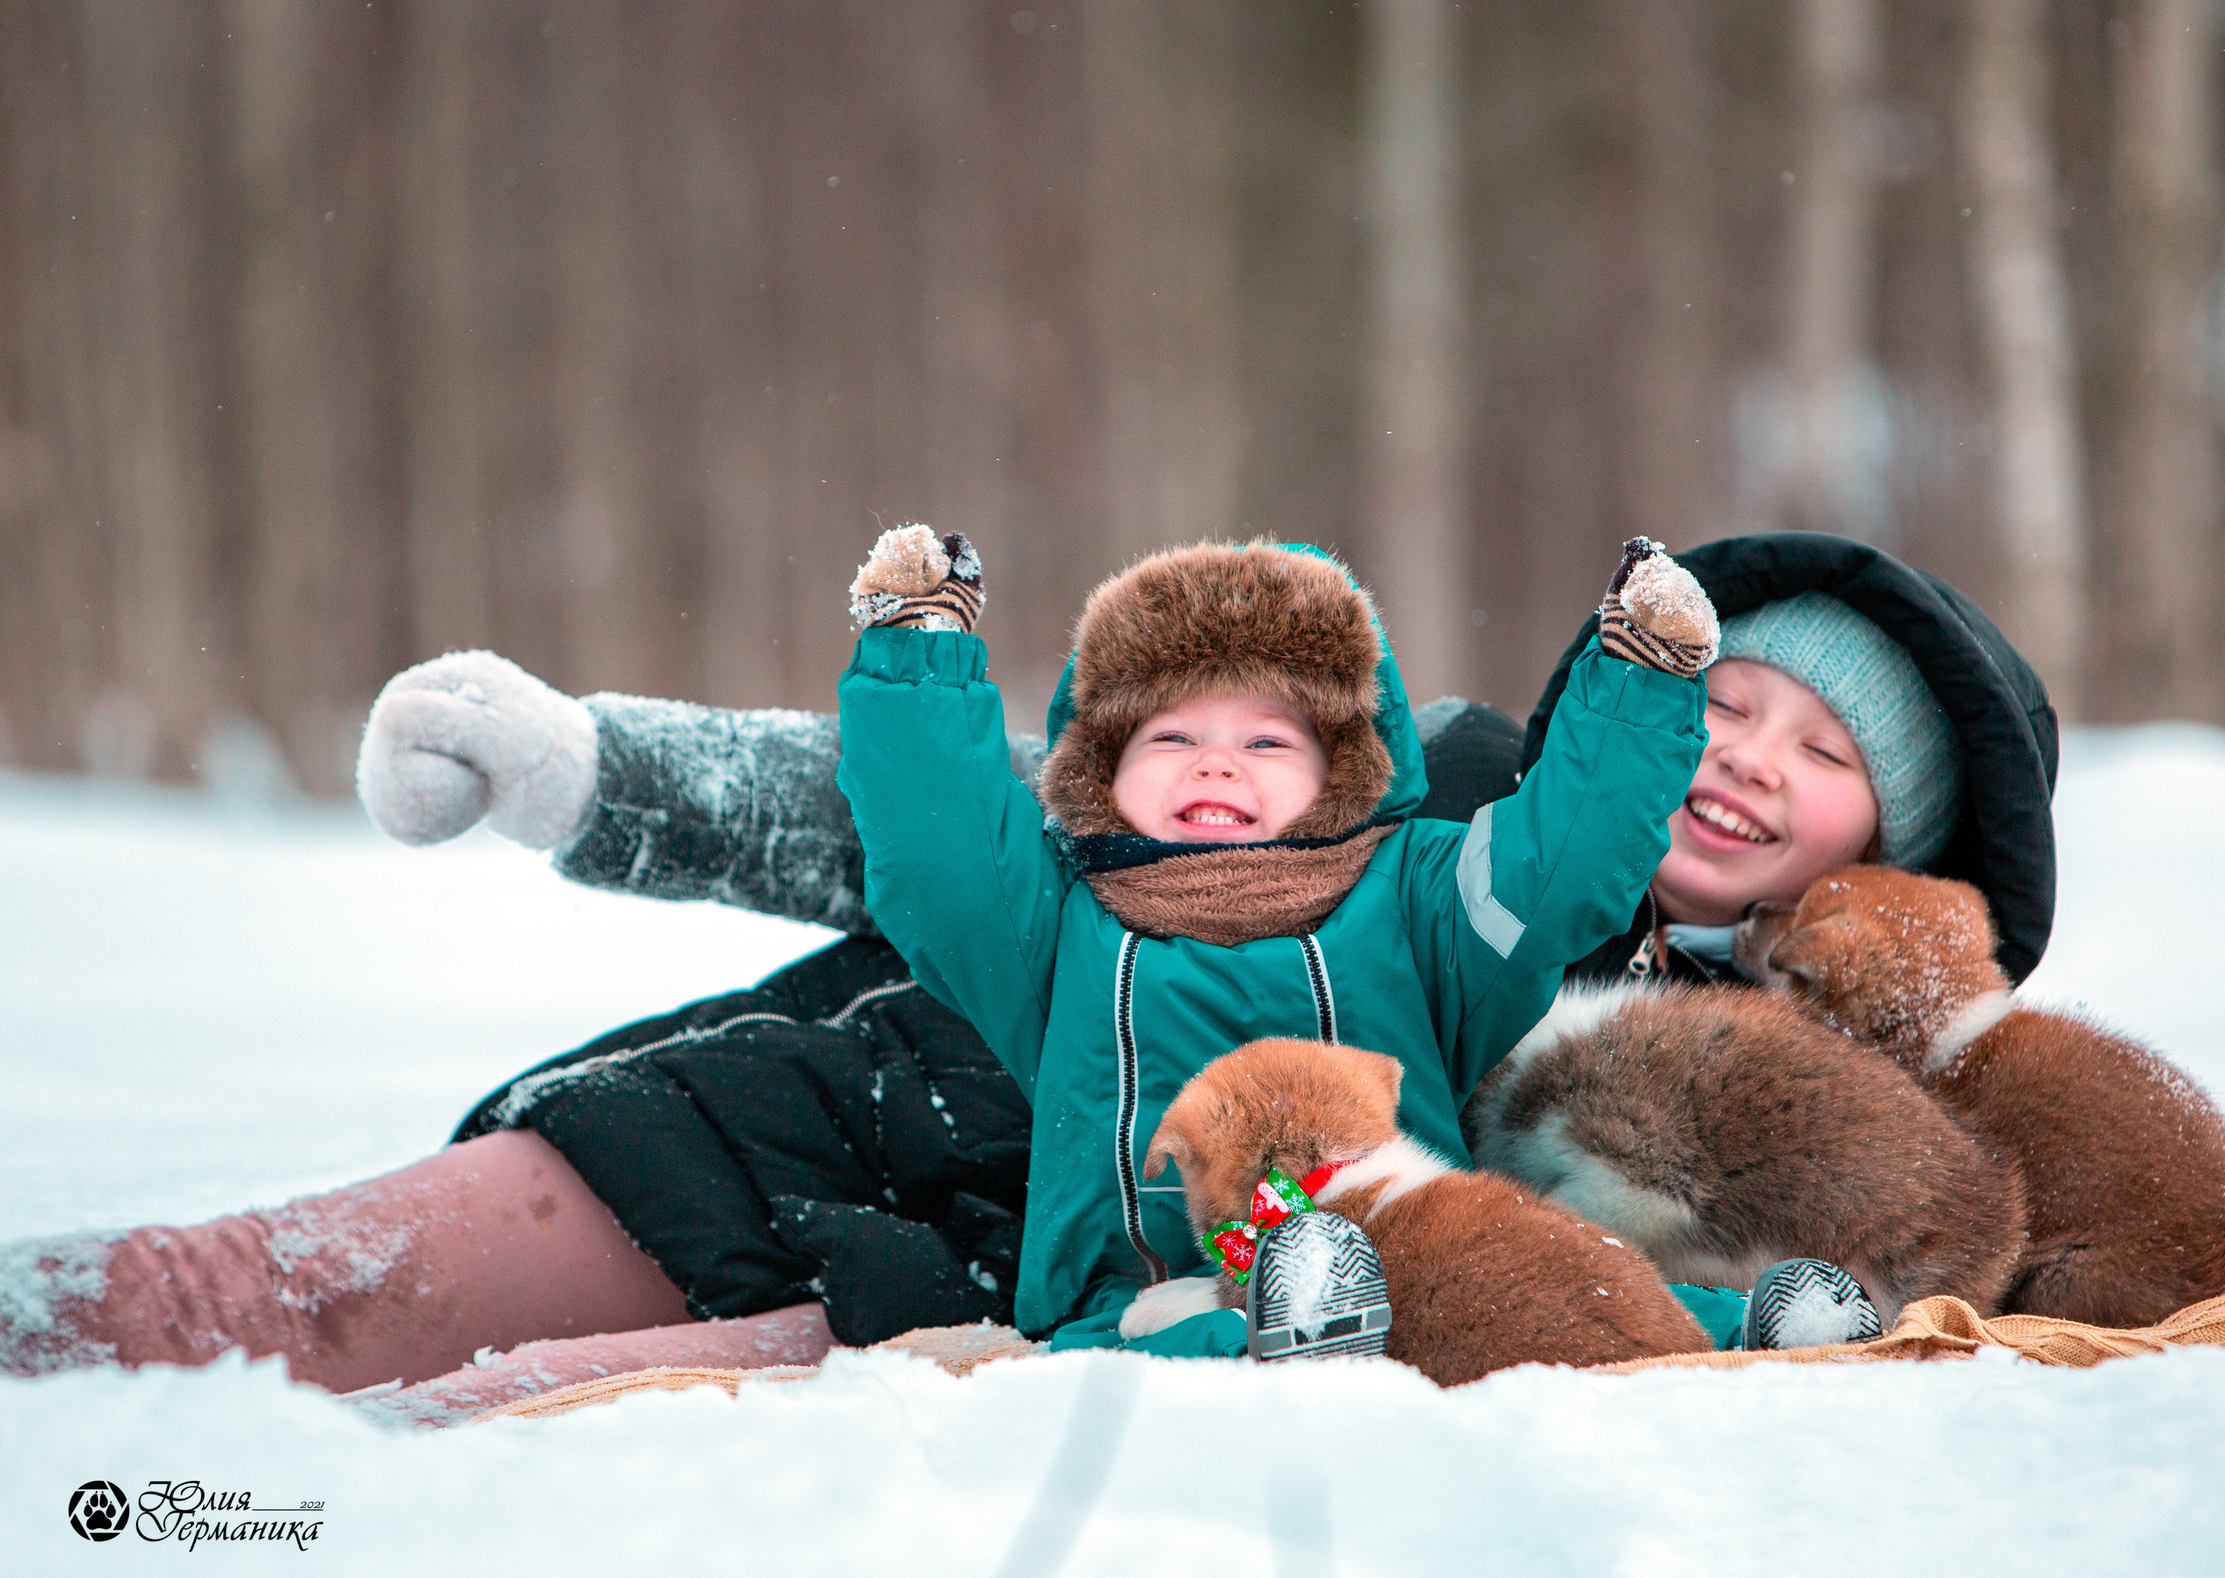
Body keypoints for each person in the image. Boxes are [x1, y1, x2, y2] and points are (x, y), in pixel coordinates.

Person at [0, 533, 2055, 1419]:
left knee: (461, 1450)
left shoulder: (1841, 1099)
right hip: (851, 1108)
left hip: (999, 1321)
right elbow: (969, 824)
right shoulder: (1424, 787)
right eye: (1731, 698)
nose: (1746, 760)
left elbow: (2033, 1252)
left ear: (1904, 843)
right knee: (258, 1297)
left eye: (1826, 753)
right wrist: (604, 776)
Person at [832, 526, 1712, 1356]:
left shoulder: (1421, 902)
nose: (1215, 761)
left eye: (1265, 739)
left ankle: (1765, 1310)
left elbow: (1557, 868)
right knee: (1200, 1344)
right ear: (1102, 769)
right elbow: (944, 860)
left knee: (1586, 1293)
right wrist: (917, 658)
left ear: (1344, 771)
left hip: (1420, 1277)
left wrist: (1637, 684)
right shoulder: (1056, 921)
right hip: (1134, 1311)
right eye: (1171, 735)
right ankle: (1286, 1333)